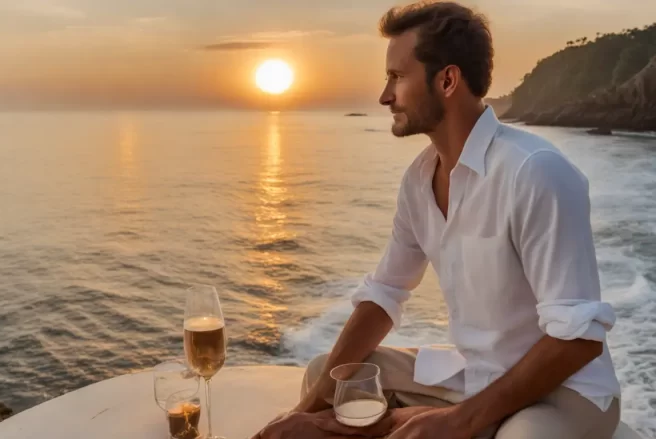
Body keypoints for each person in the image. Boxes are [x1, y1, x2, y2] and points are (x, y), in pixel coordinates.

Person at [252, 2, 622, 438]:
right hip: (474, 374)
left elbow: (578, 339)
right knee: (329, 376)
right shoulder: (419, 181)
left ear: (447, 80)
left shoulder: (535, 171)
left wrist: (458, 421)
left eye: (397, 77)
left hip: (566, 391)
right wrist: (307, 410)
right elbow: (384, 296)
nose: (385, 96)